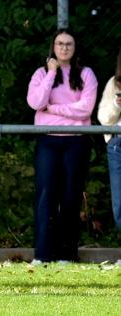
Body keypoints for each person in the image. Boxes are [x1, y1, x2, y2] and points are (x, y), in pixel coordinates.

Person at [26, 28, 98, 264]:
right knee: (46, 195)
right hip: (48, 140)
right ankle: (43, 254)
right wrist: (51, 72)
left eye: (69, 44)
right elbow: (36, 102)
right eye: (60, 44)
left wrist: (52, 110)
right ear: (53, 47)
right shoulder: (41, 74)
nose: (64, 47)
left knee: (70, 196)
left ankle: (67, 253)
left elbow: (85, 109)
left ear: (75, 48)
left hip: (76, 141)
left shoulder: (86, 74)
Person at [97, 47, 121, 237]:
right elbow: (104, 119)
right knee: (119, 205)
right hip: (118, 145)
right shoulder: (114, 84)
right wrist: (116, 104)